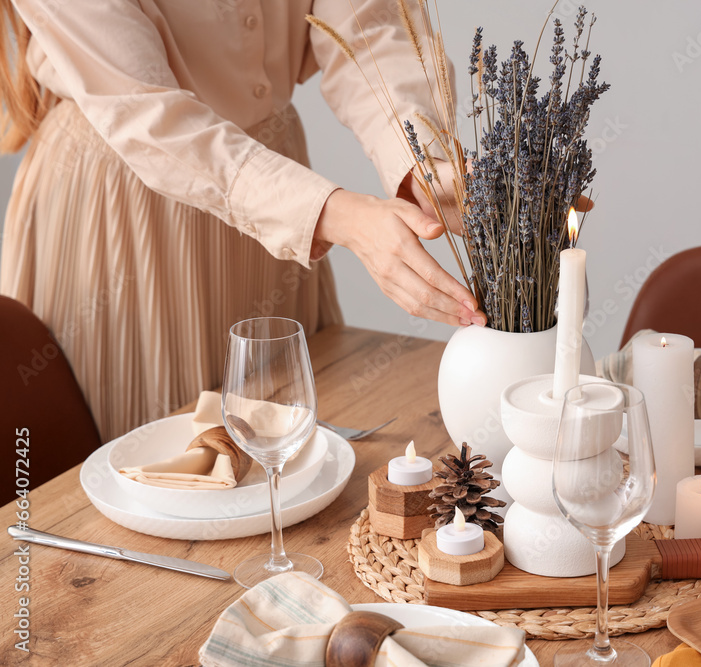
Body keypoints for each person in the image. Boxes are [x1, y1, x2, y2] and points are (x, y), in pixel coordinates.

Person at [0, 0, 484, 441]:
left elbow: (368, 23)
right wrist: (337, 215)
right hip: (127, 214)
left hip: (278, 206)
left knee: (294, 461)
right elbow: (149, 115)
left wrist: (421, 161)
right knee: (159, 477)